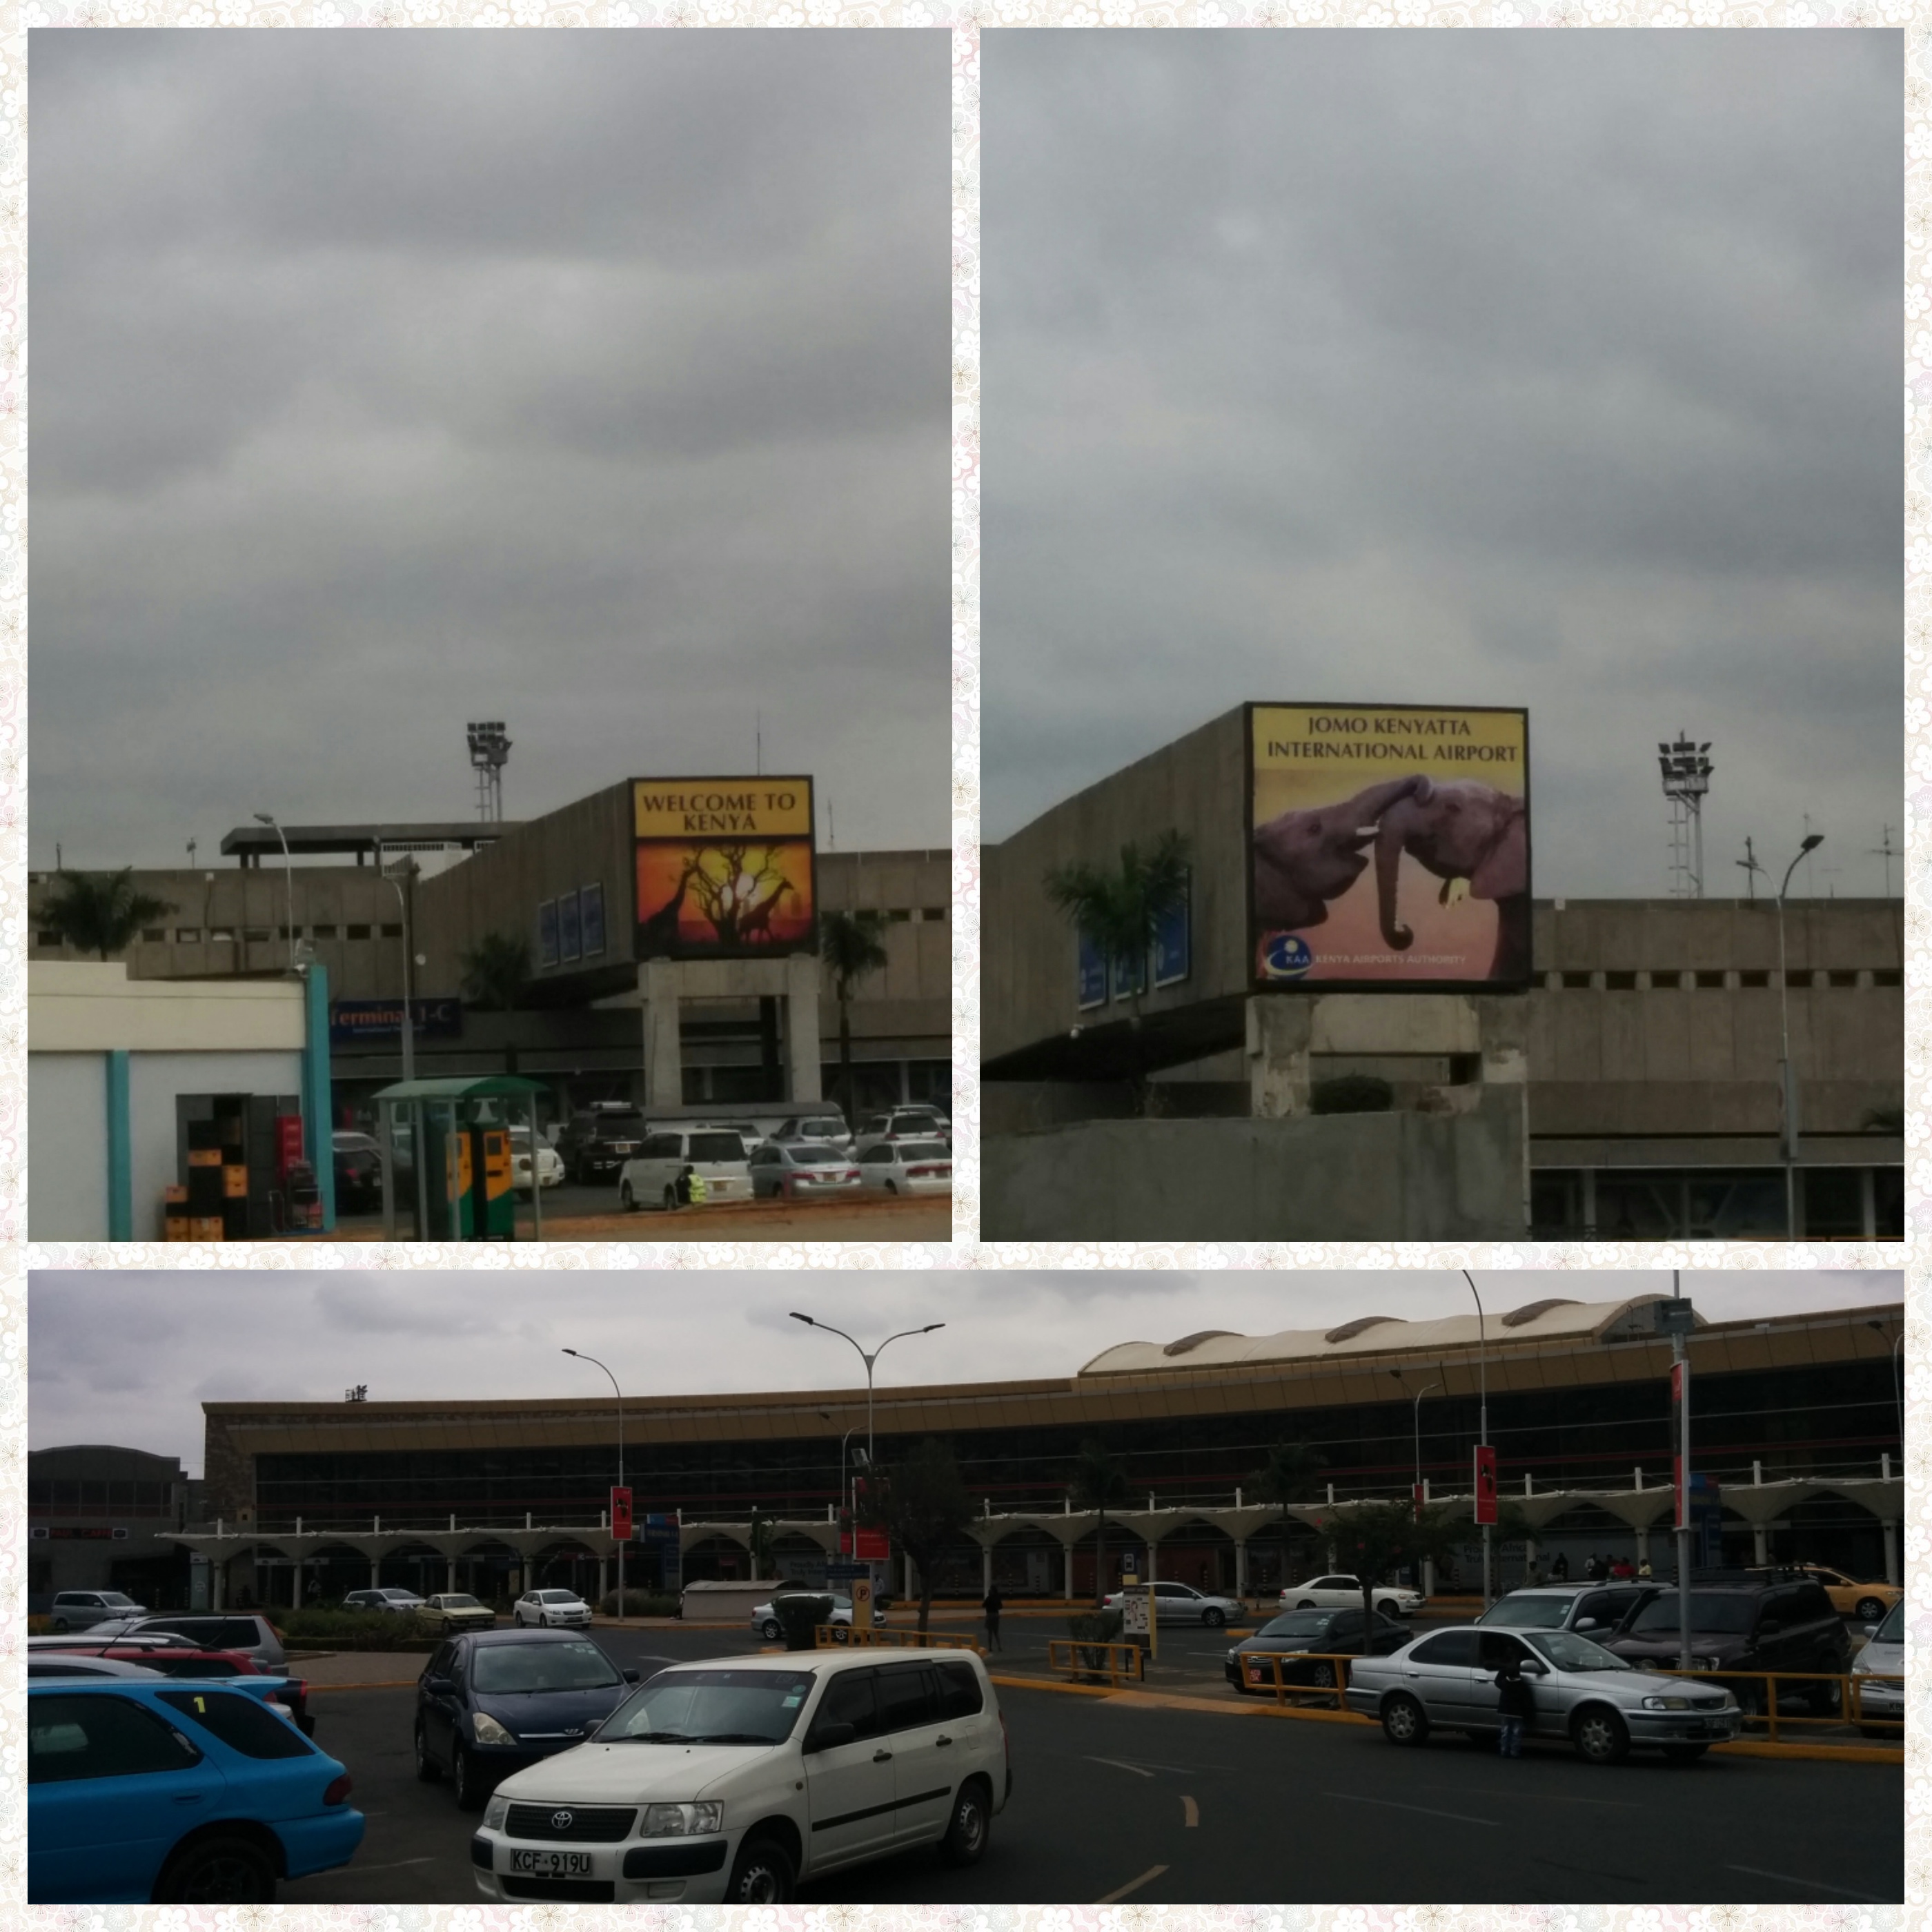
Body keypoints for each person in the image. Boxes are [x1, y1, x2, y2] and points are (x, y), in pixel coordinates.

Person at [1490, 1640, 1533, 1758]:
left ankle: (1504, 1750)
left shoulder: (1504, 1683)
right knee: (1516, 1733)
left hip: (1505, 1711)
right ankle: (1515, 1752)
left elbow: (1497, 1682)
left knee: (1505, 1731)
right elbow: (1527, 1702)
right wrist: (1529, 1715)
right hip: (1518, 1713)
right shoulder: (1522, 1686)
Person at [982, 1583, 1003, 1653]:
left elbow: (983, 1605)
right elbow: (1001, 1607)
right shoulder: (997, 1598)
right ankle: (999, 1646)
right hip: (996, 1615)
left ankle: (990, 1647)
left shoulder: (989, 1598)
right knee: (996, 1633)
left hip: (990, 1615)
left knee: (990, 1633)